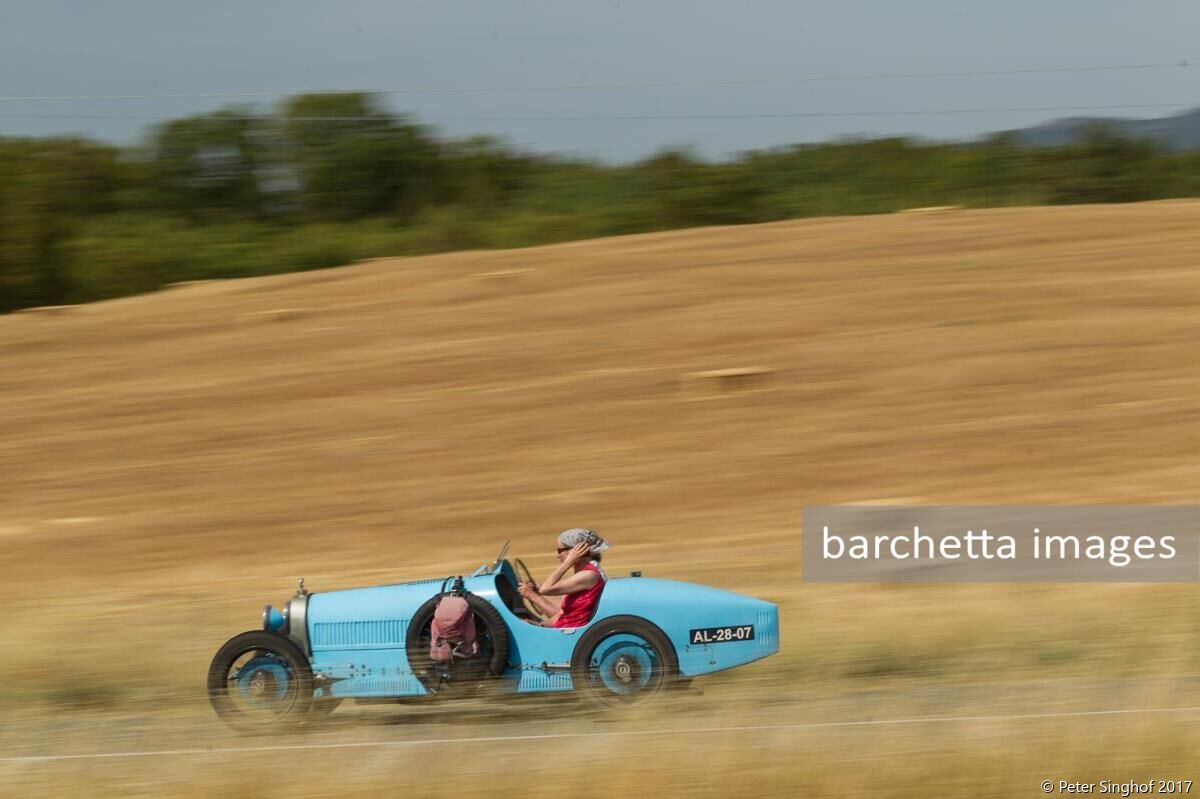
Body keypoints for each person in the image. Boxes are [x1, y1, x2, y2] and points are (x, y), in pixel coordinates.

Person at [518, 528, 609, 628]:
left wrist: (568, 562)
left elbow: (545, 589)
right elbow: (563, 611)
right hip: (565, 629)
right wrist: (540, 625)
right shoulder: (587, 573)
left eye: (559, 551)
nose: (557, 556)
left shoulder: (588, 575)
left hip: (569, 632)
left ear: (575, 551)